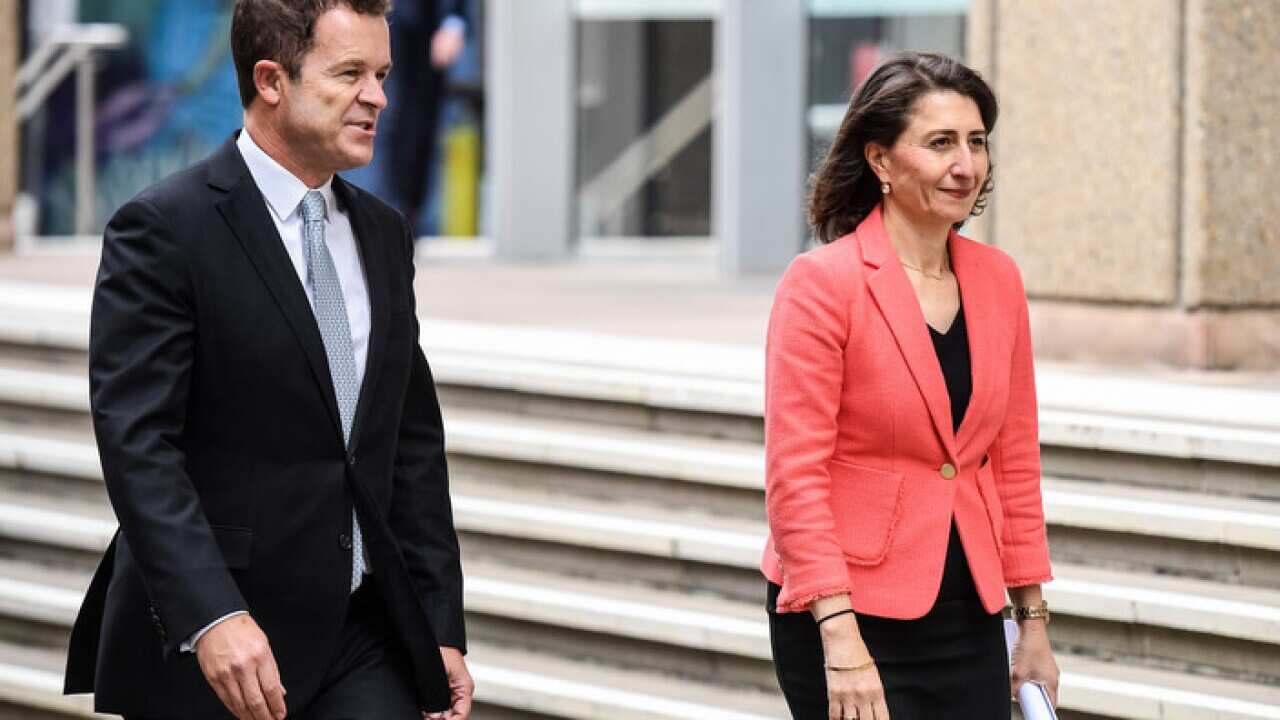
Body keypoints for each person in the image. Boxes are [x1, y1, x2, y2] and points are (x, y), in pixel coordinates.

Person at [62, 2, 473, 718]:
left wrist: (436, 625)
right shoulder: (164, 229)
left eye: (381, 74)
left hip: (362, 637)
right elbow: (139, 446)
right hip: (219, 643)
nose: (377, 96)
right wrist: (210, 616)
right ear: (271, 80)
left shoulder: (382, 235)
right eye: (349, 74)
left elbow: (409, 442)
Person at [761, 51, 1059, 719]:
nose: (966, 164)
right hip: (848, 611)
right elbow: (794, 475)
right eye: (941, 142)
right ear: (882, 160)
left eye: (976, 142)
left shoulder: (998, 280)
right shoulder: (822, 284)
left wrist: (1032, 620)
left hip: (971, 613)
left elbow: (1013, 462)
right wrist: (839, 638)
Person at [379, 0, 468, 238]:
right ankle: (388, 214)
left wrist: (454, 22)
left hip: (427, 25)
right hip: (382, 19)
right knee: (386, 118)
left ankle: (405, 216)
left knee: (419, 126)